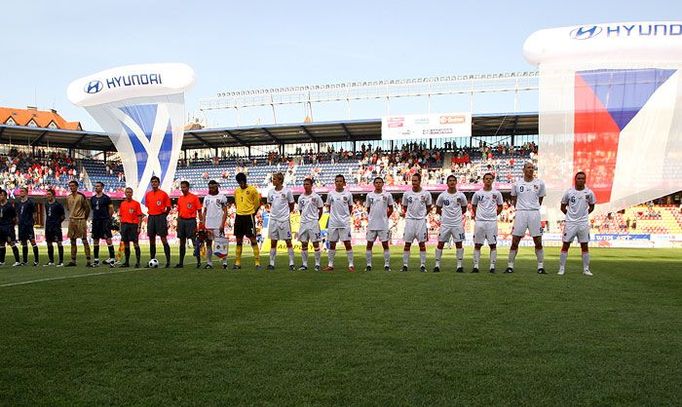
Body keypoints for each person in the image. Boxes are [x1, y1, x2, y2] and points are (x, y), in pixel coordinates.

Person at [506, 162, 546, 274]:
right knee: (515, 241)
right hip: (521, 213)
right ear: (523, 170)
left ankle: (540, 267)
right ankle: (510, 266)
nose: (530, 170)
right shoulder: (517, 184)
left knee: (538, 240)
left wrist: (533, 207)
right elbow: (514, 198)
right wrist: (520, 208)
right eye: (528, 168)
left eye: (532, 168)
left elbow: (540, 199)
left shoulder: (540, 183)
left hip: (534, 213)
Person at [559, 171, 596, 276]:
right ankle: (561, 269)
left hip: (583, 223)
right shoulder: (569, 192)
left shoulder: (589, 193)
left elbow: (592, 206)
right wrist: (570, 215)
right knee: (566, 244)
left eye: (582, 178)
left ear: (585, 180)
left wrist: (583, 215)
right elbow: (562, 207)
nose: (580, 180)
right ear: (575, 180)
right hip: (570, 223)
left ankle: (586, 269)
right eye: (578, 178)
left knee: (584, 245)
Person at [434, 175, 467, 273]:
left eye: (453, 180)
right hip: (445, 224)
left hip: (457, 224)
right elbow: (438, 208)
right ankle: (437, 265)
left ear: (456, 182)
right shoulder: (442, 195)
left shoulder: (461, 195)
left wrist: (456, 217)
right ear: (447, 183)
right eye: (450, 181)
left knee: (459, 244)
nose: (452, 182)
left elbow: (464, 208)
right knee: (440, 243)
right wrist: (445, 217)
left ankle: (459, 266)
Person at [471, 173, 504, 273]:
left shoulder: (497, 193)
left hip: (492, 222)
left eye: (490, 179)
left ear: (493, 180)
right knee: (477, 244)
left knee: (493, 244)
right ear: (483, 180)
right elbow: (473, 206)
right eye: (486, 179)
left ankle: (492, 266)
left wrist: (493, 215)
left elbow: (500, 206)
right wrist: (479, 215)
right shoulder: (478, 193)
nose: (488, 180)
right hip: (480, 222)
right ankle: (476, 266)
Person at [401, 173, 432, 272]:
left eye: (415, 180)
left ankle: (422, 265)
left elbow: (429, 207)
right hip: (410, 221)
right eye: (412, 181)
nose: (414, 182)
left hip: (421, 222)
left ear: (420, 181)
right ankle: (405, 265)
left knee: (422, 244)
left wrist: (422, 215)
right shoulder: (407, 194)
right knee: (407, 244)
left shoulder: (426, 194)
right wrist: (410, 215)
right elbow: (405, 207)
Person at [324, 174, 355, 272]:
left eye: (340, 181)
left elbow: (350, 208)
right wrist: (334, 217)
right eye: (337, 181)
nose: (338, 183)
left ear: (344, 183)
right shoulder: (330, 194)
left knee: (347, 243)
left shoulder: (348, 194)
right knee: (332, 243)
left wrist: (345, 217)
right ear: (335, 182)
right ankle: (330, 265)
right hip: (333, 223)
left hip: (344, 223)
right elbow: (328, 206)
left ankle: (350, 264)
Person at [364, 177, 394, 272]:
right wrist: (372, 217)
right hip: (372, 224)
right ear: (374, 184)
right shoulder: (369, 195)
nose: (378, 184)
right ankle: (368, 265)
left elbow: (391, 208)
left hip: (383, 224)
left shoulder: (387, 195)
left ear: (382, 184)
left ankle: (387, 265)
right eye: (376, 182)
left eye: (379, 182)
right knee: (369, 244)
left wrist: (385, 217)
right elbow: (368, 209)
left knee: (385, 244)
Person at [266, 172, 295, 270]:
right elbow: (270, 204)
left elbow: (291, 204)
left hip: (284, 220)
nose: (272, 180)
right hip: (273, 220)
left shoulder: (287, 191)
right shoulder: (270, 192)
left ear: (280, 180)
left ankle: (291, 263)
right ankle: (271, 263)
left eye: (274, 179)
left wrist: (285, 214)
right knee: (273, 242)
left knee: (288, 241)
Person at [233, 172, 261, 269]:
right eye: (239, 182)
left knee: (252, 238)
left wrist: (252, 213)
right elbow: (236, 203)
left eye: (242, 182)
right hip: (239, 216)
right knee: (238, 239)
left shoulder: (252, 190)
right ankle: (237, 263)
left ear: (245, 181)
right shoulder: (236, 191)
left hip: (249, 216)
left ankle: (257, 263)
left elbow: (257, 204)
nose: (241, 184)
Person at [144, 176, 172, 268]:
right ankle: (152, 260)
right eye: (152, 182)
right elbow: (148, 206)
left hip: (160, 217)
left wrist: (164, 215)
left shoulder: (164, 194)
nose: (154, 183)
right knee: (151, 240)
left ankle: (168, 261)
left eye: (155, 182)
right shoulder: (148, 194)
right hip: (151, 217)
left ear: (158, 183)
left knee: (163, 238)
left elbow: (168, 207)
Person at [297, 178, 323, 271]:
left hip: (313, 223)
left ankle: (317, 264)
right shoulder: (300, 197)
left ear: (311, 185)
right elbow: (300, 210)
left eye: (307, 184)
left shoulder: (316, 197)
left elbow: (321, 209)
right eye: (304, 184)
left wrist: (316, 219)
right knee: (304, 244)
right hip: (303, 223)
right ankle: (304, 264)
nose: (305, 186)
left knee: (315, 243)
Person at [202, 180, 228, 269]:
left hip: (218, 224)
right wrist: (203, 224)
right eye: (210, 187)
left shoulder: (222, 197)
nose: (211, 189)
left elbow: (225, 212)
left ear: (217, 187)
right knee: (208, 244)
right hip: (208, 224)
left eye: (213, 187)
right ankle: (209, 263)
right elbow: (204, 212)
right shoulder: (206, 198)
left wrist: (222, 224)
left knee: (221, 243)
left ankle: (224, 263)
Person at [65, 180, 92, 267]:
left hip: (80, 220)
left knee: (84, 240)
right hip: (72, 220)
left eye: (73, 186)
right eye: (70, 186)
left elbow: (87, 208)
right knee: (72, 241)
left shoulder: (81, 197)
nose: (71, 187)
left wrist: (84, 218)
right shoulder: (68, 197)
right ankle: (73, 260)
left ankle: (88, 260)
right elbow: (69, 209)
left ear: (77, 187)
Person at [176, 180, 202, 268]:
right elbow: (179, 212)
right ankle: (181, 263)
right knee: (182, 242)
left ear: (188, 187)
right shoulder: (180, 198)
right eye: (181, 187)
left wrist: (201, 222)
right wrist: (177, 223)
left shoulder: (194, 197)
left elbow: (199, 210)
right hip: (181, 221)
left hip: (191, 221)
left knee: (194, 241)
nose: (183, 189)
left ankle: (198, 262)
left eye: (184, 187)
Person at [90, 182, 116, 267]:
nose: (96, 187)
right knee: (95, 240)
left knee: (108, 239)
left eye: (98, 186)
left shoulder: (106, 198)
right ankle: (96, 260)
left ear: (102, 188)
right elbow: (93, 209)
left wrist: (108, 219)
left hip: (104, 221)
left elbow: (111, 210)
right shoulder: (92, 199)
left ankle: (112, 259)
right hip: (96, 221)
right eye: (95, 186)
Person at [118, 187, 145, 268]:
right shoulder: (122, 204)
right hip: (124, 225)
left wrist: (139, 226)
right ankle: (126, 262)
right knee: (126, 244)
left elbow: (140, 216)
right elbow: (121, 216)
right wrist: (120, 227)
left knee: (135, 243)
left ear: (132, 194)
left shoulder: (136, 204)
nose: (128, 194)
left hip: (133, 225)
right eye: (127, 192)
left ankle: (138, 262)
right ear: (125, 193)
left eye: (130, 192)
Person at [14, 187, 39, 266]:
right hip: (21, 226)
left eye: (23, 191)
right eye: (20, 191)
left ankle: (36, 261)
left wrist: (32, 222)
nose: (21, 192)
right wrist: (18, 221)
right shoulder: (18, 203)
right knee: (23, 243)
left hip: (28, 225)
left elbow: (34, 214)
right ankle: (25, 261)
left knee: (32, 242)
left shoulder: (30, 202)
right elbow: (17, 214)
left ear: (26, 193)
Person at [44, 189, 65, 267]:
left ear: (53, 195)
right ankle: (51, 261)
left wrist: (57, 223)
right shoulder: (46, 204)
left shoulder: (58, 205)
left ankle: (61, 261)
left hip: (56, 227)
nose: (47, 196)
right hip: (48, 226)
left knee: (59, 242)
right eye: (47, 194)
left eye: (49, 194)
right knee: (49, 243)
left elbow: (63, 216)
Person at [0, 189, 21, 266]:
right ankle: (2, 261)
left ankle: (17, 261)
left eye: (1, 195)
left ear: (5, 196)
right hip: (1, 227)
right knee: (1, 243)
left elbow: (15, 218)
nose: (0, 196)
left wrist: (11, 226)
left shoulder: (9, 206)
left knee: (11, 242)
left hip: (8, 227)